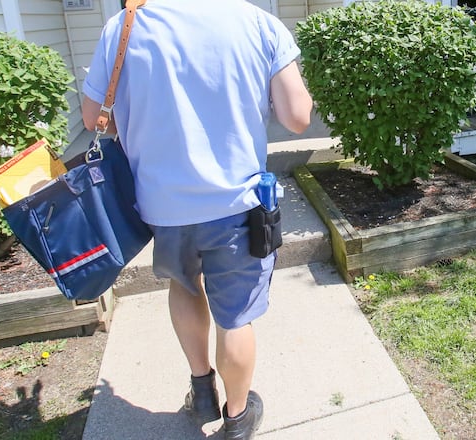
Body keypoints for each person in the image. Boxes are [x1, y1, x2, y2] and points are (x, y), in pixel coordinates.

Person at [81, 1, 313, 438]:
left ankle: (201, 390)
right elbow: (298, 118)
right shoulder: (258, 23)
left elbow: (95, 118)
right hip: (237, 205)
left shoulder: (125, 24)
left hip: (162, 205)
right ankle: (239, 418)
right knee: (236, 316)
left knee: (184, 286)